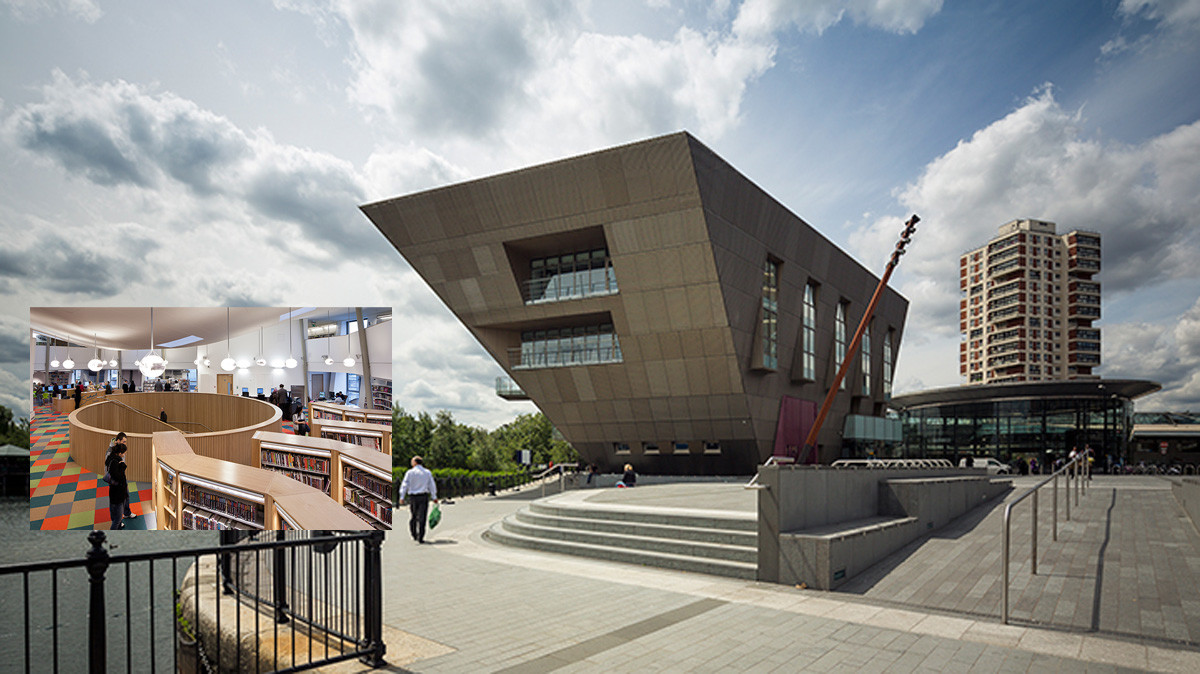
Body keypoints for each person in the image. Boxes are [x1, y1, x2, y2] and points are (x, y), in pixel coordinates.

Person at [398, 456, 438, 543]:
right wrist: (434, 497)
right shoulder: (427, 472)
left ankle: (414, 534)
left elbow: (405, 485)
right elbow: (432, 485)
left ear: (415, 462)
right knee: (422, 517)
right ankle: (421, 536)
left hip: (413, 497)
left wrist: (402, 497)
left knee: (414, 516)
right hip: (424, 496)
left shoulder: (410, 473)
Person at [106, 440, 130, 530]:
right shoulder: (116, 463)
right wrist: (123, 467)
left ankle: (119, 526)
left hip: (113, 492)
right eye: (124, 453)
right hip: (118, 494)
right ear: (120, 453)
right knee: (118, 519)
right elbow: (119, 477)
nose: (124, 455)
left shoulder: (111, 459)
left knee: (114, 516)